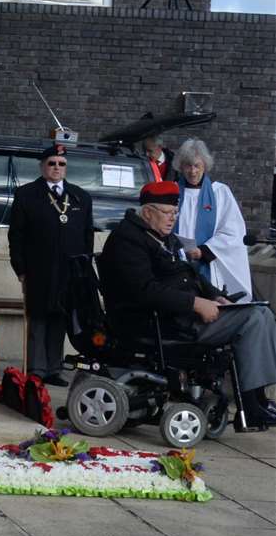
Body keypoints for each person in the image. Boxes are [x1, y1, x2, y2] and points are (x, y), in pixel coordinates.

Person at [99, 181, 276, 429]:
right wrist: (194, 303)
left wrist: (214, 296)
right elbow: (144, 290)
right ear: (148, 212)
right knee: (253, 319)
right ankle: (251, 403)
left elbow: (190, 274)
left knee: (262, 311)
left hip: (179, 315)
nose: (173, 219)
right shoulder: (128, 240)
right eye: (167, 213)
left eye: (175, 213)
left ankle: (258, 399)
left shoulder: (161, 236)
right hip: (159, 322)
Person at [8, 142, 94, 384]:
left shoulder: (80, 197)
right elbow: (16, 235)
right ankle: (36, 368)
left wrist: (83, 269)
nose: (57, 168)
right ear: (42, 166)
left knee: (59, 318)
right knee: (38, 317)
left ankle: (54, 369)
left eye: (61, 164)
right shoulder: (26, 195)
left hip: (68, 272)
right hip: (39, 269)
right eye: (52, 163)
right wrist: (20, 268)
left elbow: (88, 235)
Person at [173, 138, 252, 301]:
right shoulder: (172, 191)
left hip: (208, 265)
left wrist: (203, 250)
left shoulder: (219, 193)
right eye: (188, 165)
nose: (192, 171)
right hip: (175, 265)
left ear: (205, 166)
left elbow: (233, 232)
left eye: (197, 166)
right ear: (180, 166)